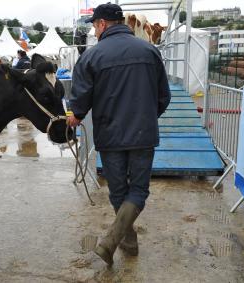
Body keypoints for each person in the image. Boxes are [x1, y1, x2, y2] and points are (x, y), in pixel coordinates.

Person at [67, 3, 171, 265]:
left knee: (117, 192)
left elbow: (79, 102)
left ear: (102, 24)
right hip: (143, 135)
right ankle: (128, 239)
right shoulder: (149, 50)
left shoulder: (91, 57)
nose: (93, 30)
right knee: (137, 191)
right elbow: (164, 97)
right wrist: (146, 118)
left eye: (94, 25)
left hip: (110, 135)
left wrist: (74, 116)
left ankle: (113, 240)